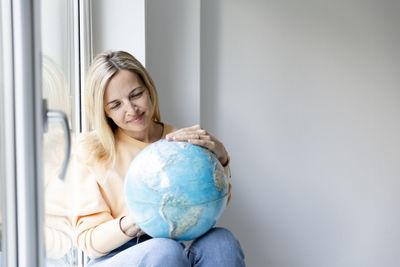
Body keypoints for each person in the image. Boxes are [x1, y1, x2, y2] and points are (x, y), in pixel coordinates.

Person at [70, 50, 245, 266]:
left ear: (149, 90)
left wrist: (222, 159)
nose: (132, 109)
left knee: (221, 242)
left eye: (136, 94)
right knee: (164, 250)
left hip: (170, 253)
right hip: (114, 256)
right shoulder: (89, 151)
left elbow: (212, 206)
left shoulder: (178, 142)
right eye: (116, 105)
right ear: (104, 111)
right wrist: (140, 220)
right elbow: (88, 242)